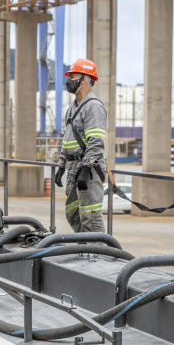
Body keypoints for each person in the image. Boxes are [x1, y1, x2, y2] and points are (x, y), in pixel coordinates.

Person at [55, 58, 108, 233]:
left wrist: (86, 168)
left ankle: (100, 256)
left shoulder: (93, 107)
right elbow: (67, 139)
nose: (68, 80)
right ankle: (84, 250)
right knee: (74, 214)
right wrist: (61, 165)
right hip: (73, 168)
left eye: (73, 76)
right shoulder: (73, 108)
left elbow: (96, 141)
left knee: (90, 218)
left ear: (83, 79)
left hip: (88, 171)